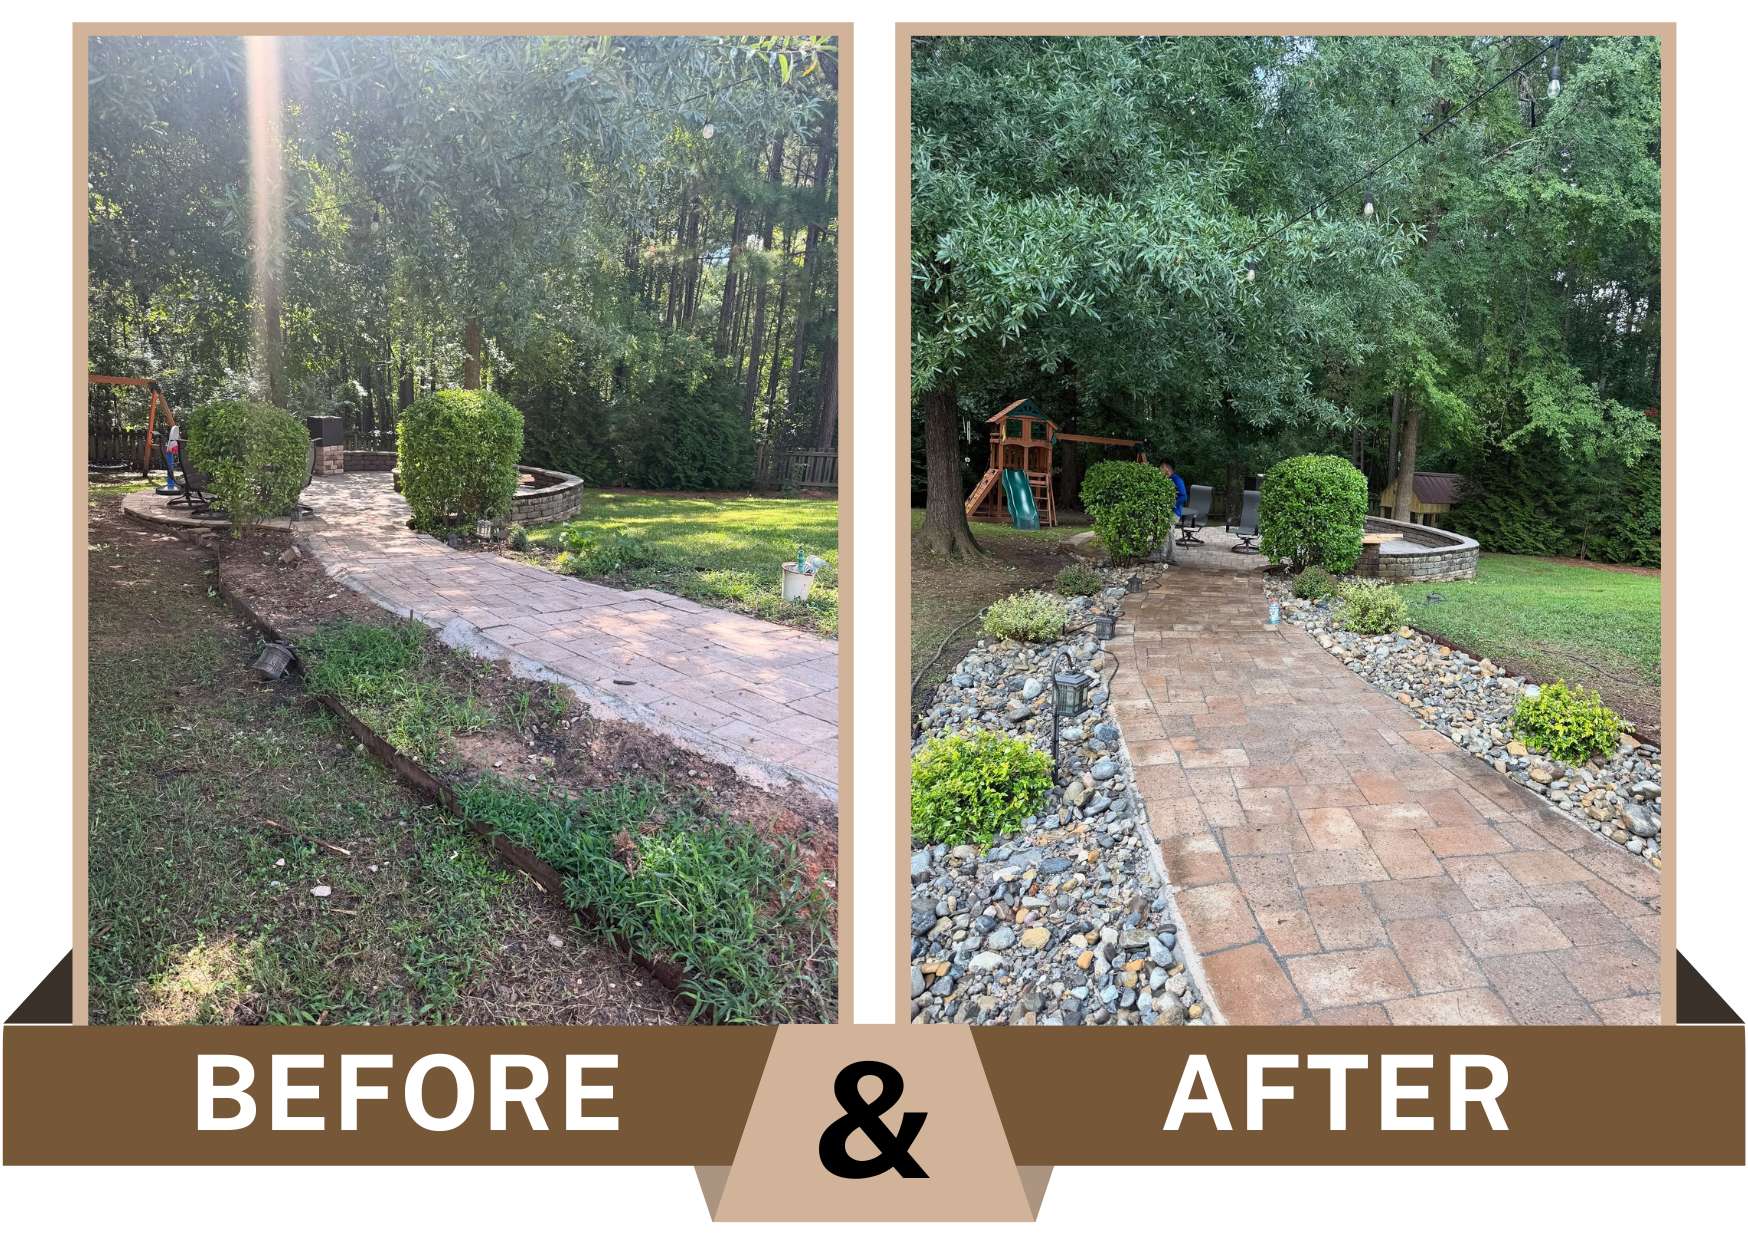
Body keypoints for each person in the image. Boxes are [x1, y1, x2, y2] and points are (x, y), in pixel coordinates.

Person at [1159, 457, 1187, 564]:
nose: (1160, 470)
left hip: (1174, 512)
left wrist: (1171, 506)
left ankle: (1171, 558)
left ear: (1166, 468)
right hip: (1167, 512)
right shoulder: (1166, 479)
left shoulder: (1177, 480)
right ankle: (1165, 556)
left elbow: (1183, 496)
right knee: (1166, 533)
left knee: (1169, 532)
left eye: (1161, 467)